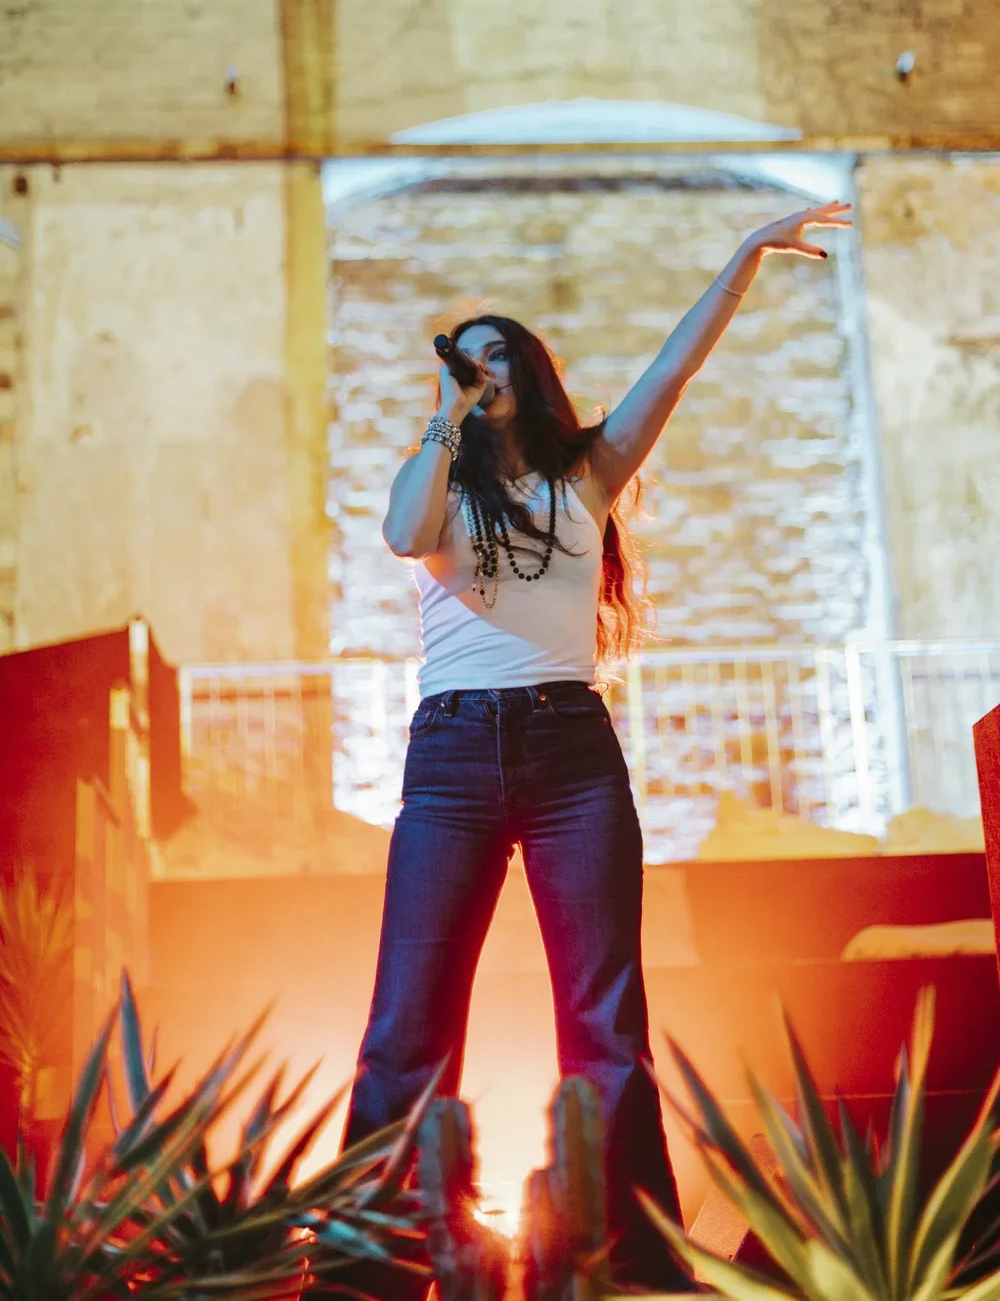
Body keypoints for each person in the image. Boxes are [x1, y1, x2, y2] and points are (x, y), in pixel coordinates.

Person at [339, 200, 853, 1294]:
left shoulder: (586, 475)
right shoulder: (441, 490)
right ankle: (368, 1268)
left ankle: (635, 1261)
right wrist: (443, 413)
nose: (482, 377)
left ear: (529, 370)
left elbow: (674, 368)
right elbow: (398, 535)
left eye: (497, 360)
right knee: (407, 1018)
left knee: (607, 1020)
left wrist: (744, 255)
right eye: (464, 364)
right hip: (452, 759)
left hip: (572, 751)